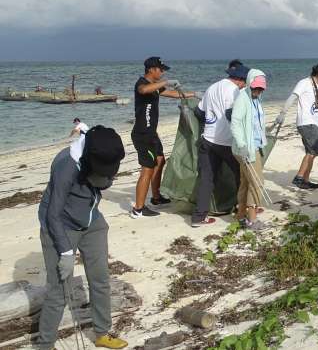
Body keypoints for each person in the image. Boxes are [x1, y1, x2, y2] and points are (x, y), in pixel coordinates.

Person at [36, 126, 128, 349]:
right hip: (60, 225)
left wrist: (104, 181)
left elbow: (91, 138)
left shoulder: (101, 147)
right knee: (59, 291)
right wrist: (66, 253)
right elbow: (53, 214)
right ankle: (45, 344)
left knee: (100, 280)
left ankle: (102, 333)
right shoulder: (65, 166)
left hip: (91, 221)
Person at [130, 57, 193, 219]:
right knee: (147, 169)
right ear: (152, 69)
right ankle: (138, 209)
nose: (162, 72)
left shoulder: (155, 87)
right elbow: (144, 90)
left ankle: (156, 198)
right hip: (142, 134)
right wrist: (167, 81)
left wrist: (194, 94)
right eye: (160, 69)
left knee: (160, 160)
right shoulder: (141, 83)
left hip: (152, 133)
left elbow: (171, 93)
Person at [192, 64, 250, 227]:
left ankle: (199, 217)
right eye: (245, 82)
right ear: (240, 80)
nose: (245, 85)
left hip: (208, 140)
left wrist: (212, 121)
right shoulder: (235, 91)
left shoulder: (212, 87)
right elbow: (234, 116)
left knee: (206, 179)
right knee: (242, 175)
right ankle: (241, 210)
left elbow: (199, 111)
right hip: (227, 142)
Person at [274, 61, 318, 189]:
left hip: (313, 124)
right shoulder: (304, 83)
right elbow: (292, 97)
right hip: (306, 123)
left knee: (313, 152)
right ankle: (299, 178)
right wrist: (283, 113)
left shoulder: (317, 87)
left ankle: (305, 180)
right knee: (312, 152)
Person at [231, 69, 269, 231]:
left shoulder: (255, 99)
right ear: (249, 83)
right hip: (246, 149)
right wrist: (242, 145)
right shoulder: (243, 98)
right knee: (257, 183)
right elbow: (235, 123)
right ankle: (252, 220)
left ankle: (240, 215)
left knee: (246, 182)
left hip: (253, 147)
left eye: (261, 88)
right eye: (256, 88)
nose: (258, 91)